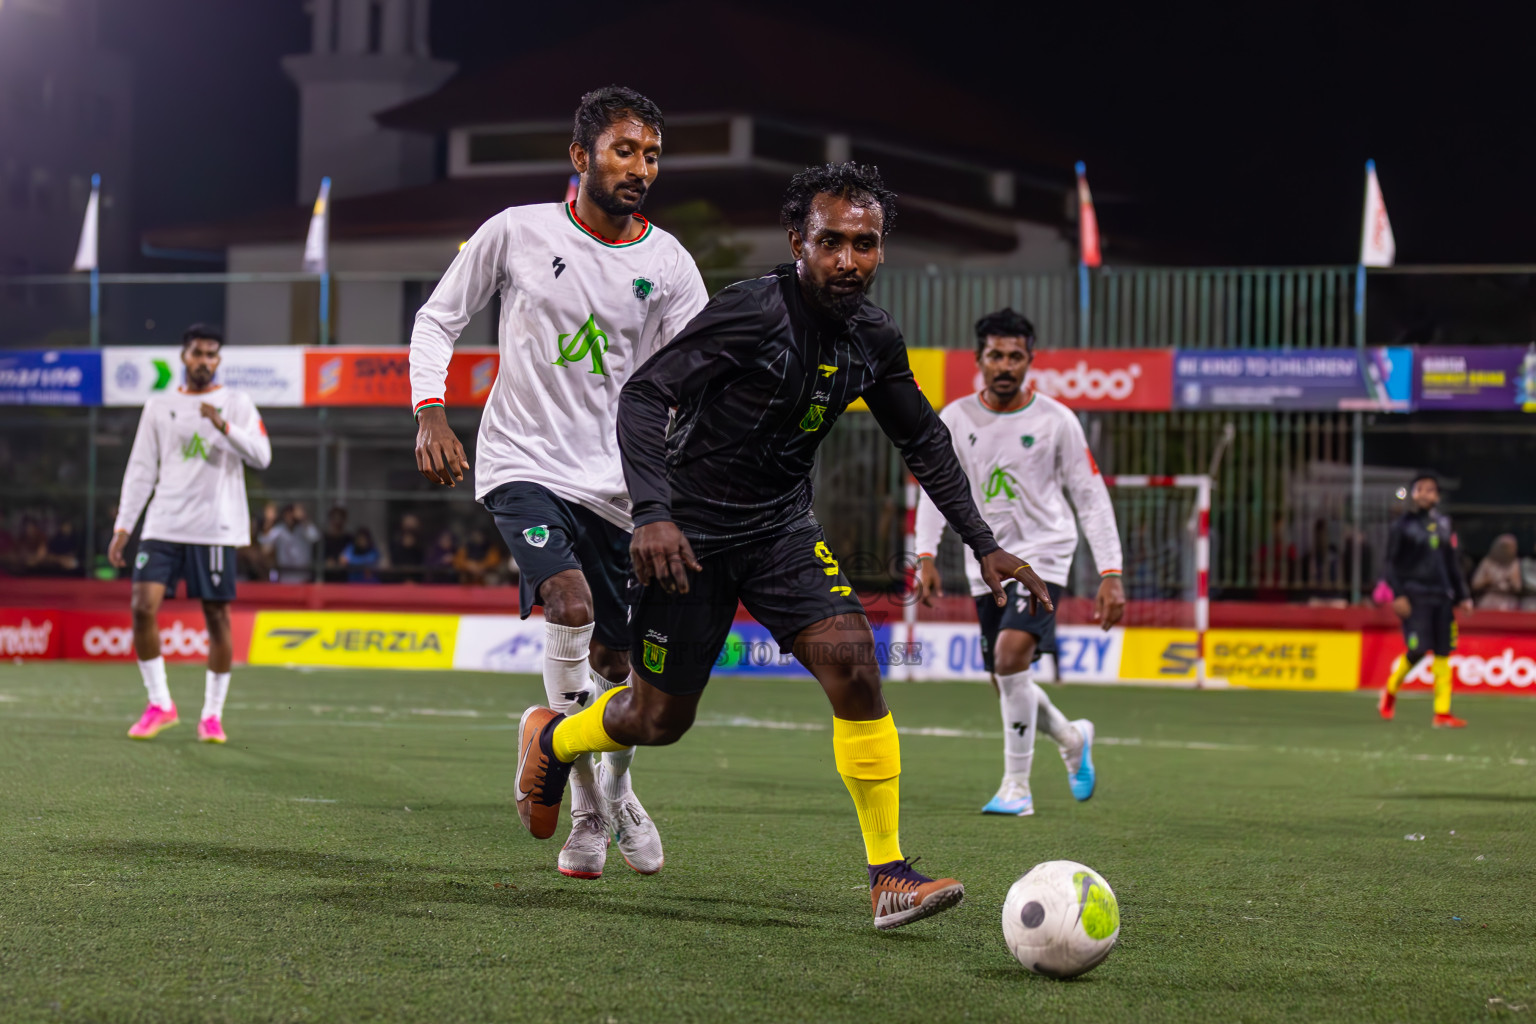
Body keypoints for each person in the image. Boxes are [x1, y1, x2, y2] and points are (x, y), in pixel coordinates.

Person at [511, 163, 1050, 931]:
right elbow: (644, 395)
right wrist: (655, 513)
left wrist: (985, 544)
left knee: (855, 664)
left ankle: (888, 874)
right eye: (830, 241)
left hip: (779, 531)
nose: (847, 260)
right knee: (659, 719)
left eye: (864, 244)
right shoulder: (751, 313)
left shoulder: (873, 336)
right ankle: (556, 737)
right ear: (798, 241)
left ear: (880, 250)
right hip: (685, 539)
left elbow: (924, 440)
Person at [410, 86, 708, 880]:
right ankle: (585, 812)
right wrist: (431, 412)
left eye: (651, 154)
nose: (640, 167)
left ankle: (616, 791)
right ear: (580, 157)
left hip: (618, 489)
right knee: (568, 604)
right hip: (520, 464)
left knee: (620, 668)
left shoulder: (671, 263)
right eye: (623, 150)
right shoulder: (516, 230)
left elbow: (700, 377)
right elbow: (439, 317)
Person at [913, 308, 1124, 817]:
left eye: (1014, 356)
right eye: (995, 356)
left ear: (1030, 359)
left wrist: (1110, 572)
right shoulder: (955, 418)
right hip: (985, 561)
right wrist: (924, 553)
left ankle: (1016, 788)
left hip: (1044, 556)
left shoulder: (1057, 421)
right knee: (1006, 678)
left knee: (1009, 658)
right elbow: (936, 490)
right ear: (978, 359)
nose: (1004, 365)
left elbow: (1091, 497)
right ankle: (1072, 738)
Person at [108, 324, 271, 744]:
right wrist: (124, 526)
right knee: (143, 607)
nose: (204, 361)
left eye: (212, 354)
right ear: (184, 357)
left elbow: (263, 456)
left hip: (214, 529)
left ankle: (211, 716)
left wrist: (223, 426)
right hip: (163, 524)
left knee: (217, 617)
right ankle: (160, 703)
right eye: (198, 353)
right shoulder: (159, 406)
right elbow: (141, 470)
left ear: (219, 361)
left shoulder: (236, 403)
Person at [1377, 472, 1473, 727]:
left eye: (1431, 490)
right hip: (1414, 595)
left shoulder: (1444, 525)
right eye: (1421, 489)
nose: (1426, 494)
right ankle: (1389, 690)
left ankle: (1442, 712)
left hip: (1442, 596)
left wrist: (1463, 595)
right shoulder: (1402, 526)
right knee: (1418, 650)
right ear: (1413, 494)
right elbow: (1391, 564)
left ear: (1437, 496)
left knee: (1443, 653)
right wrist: (1398, 594)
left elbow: (1452, 563)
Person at [260, 503, 320, 583]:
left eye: (291, 514)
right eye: (287, 515)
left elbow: (315, 537)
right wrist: (269, 521)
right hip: (285, 577)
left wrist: (304, 518)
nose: (289, 517)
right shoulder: (279, 530)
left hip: (303, 577)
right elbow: (264, 541)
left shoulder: (304, 528)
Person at [1470, 534, 1522, 611]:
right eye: (1505, 547)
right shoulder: (1487, 562)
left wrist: (1511, 581)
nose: (1507, 550)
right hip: (1489, 598)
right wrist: (1487, 581)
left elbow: (1518, 587)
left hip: (1508, 600)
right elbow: (1475, 584)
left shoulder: (1514, 563)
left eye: (1511, 547)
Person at [389, 513, 427, 581]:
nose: (409, 525)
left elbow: (423, 561)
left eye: (412, 522)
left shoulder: (421, 542)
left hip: (417, 579)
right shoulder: (397, 540)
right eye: (407, 522)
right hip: (399, 578)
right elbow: (394, 560)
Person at [322, 506, 350, 582]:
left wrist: (348, 560)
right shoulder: (323, 539)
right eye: (335, 518)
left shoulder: (349, 539)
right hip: (326, 580)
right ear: (330, 520)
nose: (338, 521)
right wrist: (326, 562)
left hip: (344, 580)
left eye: (340, 518)